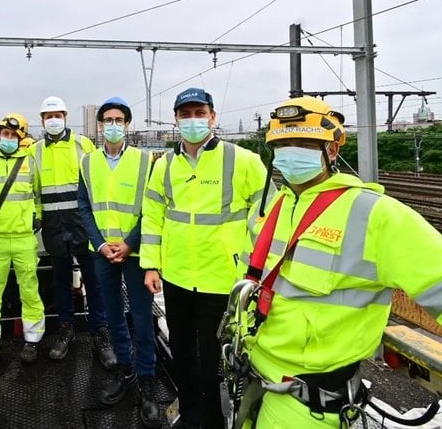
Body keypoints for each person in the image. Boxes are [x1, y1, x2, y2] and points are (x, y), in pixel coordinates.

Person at [224, 96, 442, 428]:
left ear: (333, 150)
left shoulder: (375, 215)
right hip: (254, 380)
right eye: (283, 144)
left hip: (308, 403)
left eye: (305, 143)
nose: (292, 152)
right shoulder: (271, 209)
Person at [140, 87, 269, 429]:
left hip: (223, 278)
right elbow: (153, 216)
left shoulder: (243, 161)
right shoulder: (165, 164)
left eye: (200, 113)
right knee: (182, 354)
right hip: (177, 275)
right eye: (186, 114)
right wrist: (151, 264)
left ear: (213, 117)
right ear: (176, 120)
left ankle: (214, 420)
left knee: (215, 359)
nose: (193, 120)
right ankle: (191, 416)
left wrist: (253, 270)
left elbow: (266, 219)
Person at [78, 97, 161, 427]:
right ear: (100, 125)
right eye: (107, 120)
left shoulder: (145, 161)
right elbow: (84, 208)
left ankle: (148, 379)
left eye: (118, 120)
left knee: (142, 318)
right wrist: (100, 245)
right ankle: (125, 368)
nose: (112, 125)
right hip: (103, 254)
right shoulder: (87, 162)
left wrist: (129, 244)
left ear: (127, 124)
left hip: (136, 253)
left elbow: (151, 209)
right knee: (113, 315)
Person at [35, 95, 116, 368]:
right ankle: (66, 328)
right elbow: (34, 190)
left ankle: (100, 332)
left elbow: (98, 180)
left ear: (66, 116)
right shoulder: (35, 151)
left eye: (58, 114)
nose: (53, 120)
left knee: (93, 279)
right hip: (53, 225)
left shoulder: (84, 144)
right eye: (48, 116)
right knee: (60, 280)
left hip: (82, 222)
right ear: (42, 120)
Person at [0, 113, 45, 363]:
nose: (8, 138)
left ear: (21, 138)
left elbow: (37, 195)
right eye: (4, 134)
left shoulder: (29, 163)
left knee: (30, 289)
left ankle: (33, 340)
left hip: (24, 238)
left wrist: (38, 217)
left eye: (13, 135)